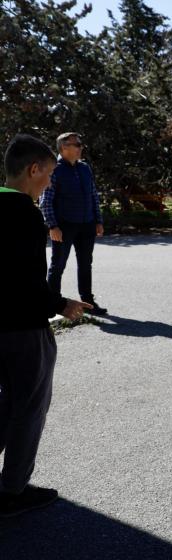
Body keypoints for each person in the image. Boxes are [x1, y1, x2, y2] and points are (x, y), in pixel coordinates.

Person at [0, 134, 91, 518]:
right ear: (33, 169)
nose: (50, 183)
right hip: (22, 327)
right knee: (28, 406)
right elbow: (26, 282)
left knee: (4, 403)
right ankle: (13, 491)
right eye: (49, 174)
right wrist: (62, 304)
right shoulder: (24, 213)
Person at [40, 132, 107, 315]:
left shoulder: (84, 168)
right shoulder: (54, 169)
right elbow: (45, 200)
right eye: (76, 144)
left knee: (86, 264)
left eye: (80, 143)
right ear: (64, 148)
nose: (80, 147)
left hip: (87, 224)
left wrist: (98, 220)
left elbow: (93, 195)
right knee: (58, 265)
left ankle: (88, 302)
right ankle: (52, 305)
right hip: (64, 226)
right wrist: (52, 225)